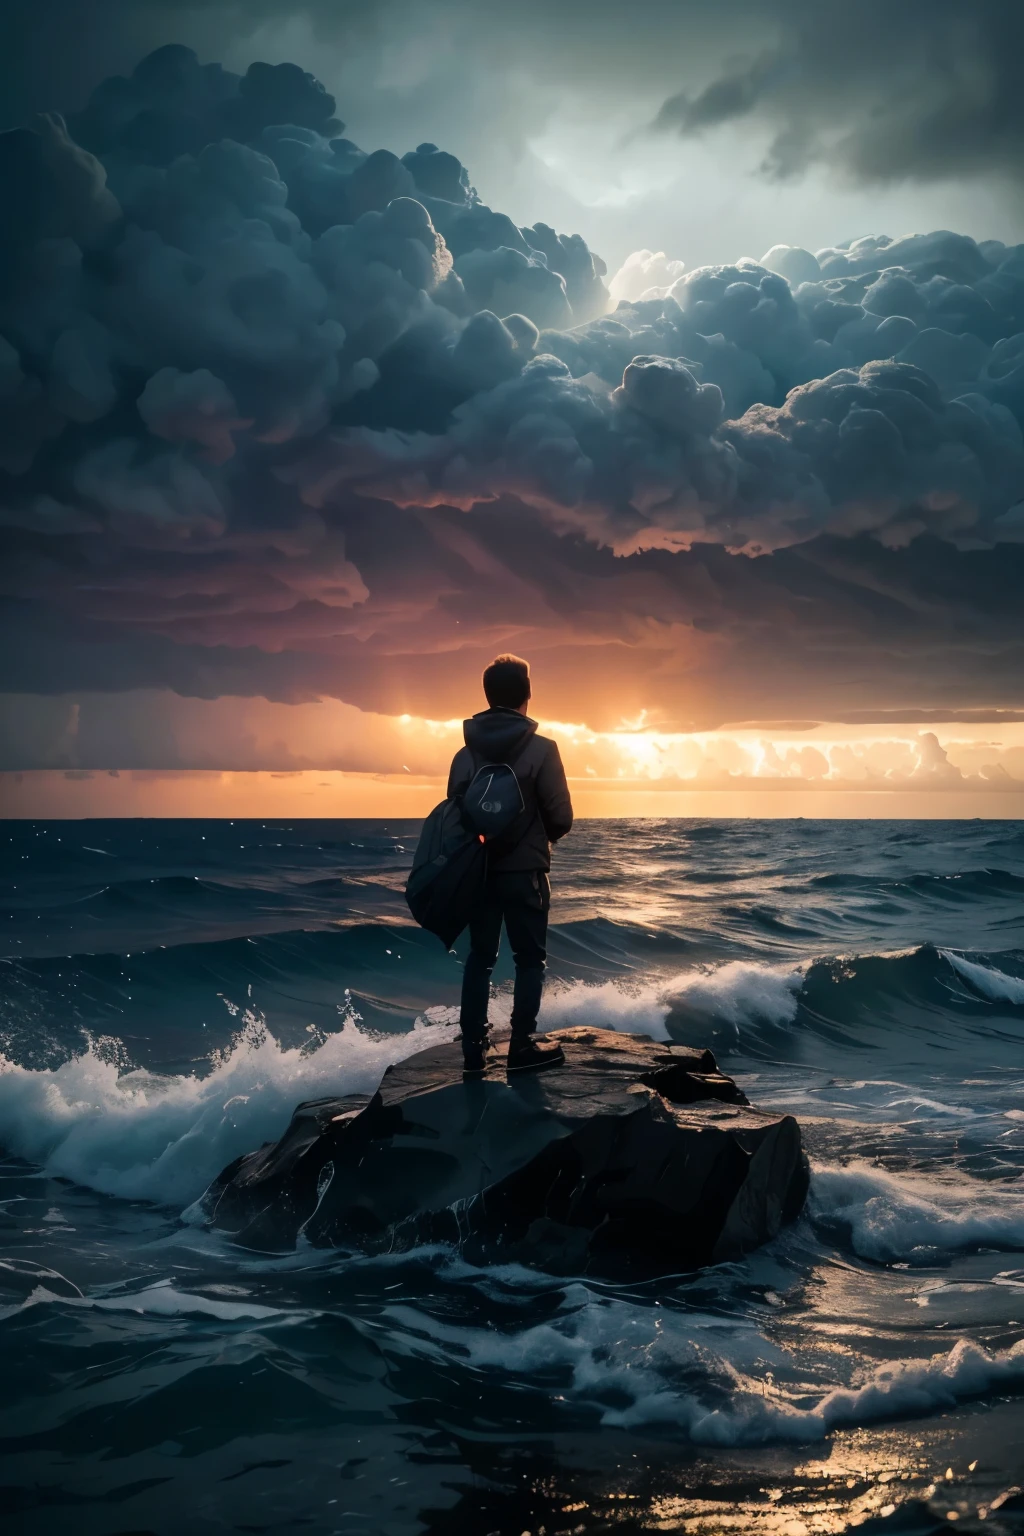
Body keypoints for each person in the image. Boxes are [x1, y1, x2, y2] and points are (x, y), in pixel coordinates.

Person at [448, 654, 573, 1075]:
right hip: (527, 875)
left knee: (480, 959)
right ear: (527, 696)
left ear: (487, 695)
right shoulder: (543, 750)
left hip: (479, 874)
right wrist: (535, 842)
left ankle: (472, 1049)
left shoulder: (464, 755)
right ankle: (521, 1046)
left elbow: (455, 819)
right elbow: (561, 818)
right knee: (529, 961)